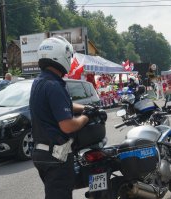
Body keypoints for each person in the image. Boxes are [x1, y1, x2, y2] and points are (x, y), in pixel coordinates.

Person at [29, 36, 96, 199]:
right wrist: (86, 117)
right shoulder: (55, 85)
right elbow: (67, 125)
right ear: (61, 56)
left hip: (41, 154)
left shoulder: (40, 81)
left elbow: (60, 106)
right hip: (56, 156)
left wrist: (86, 107)